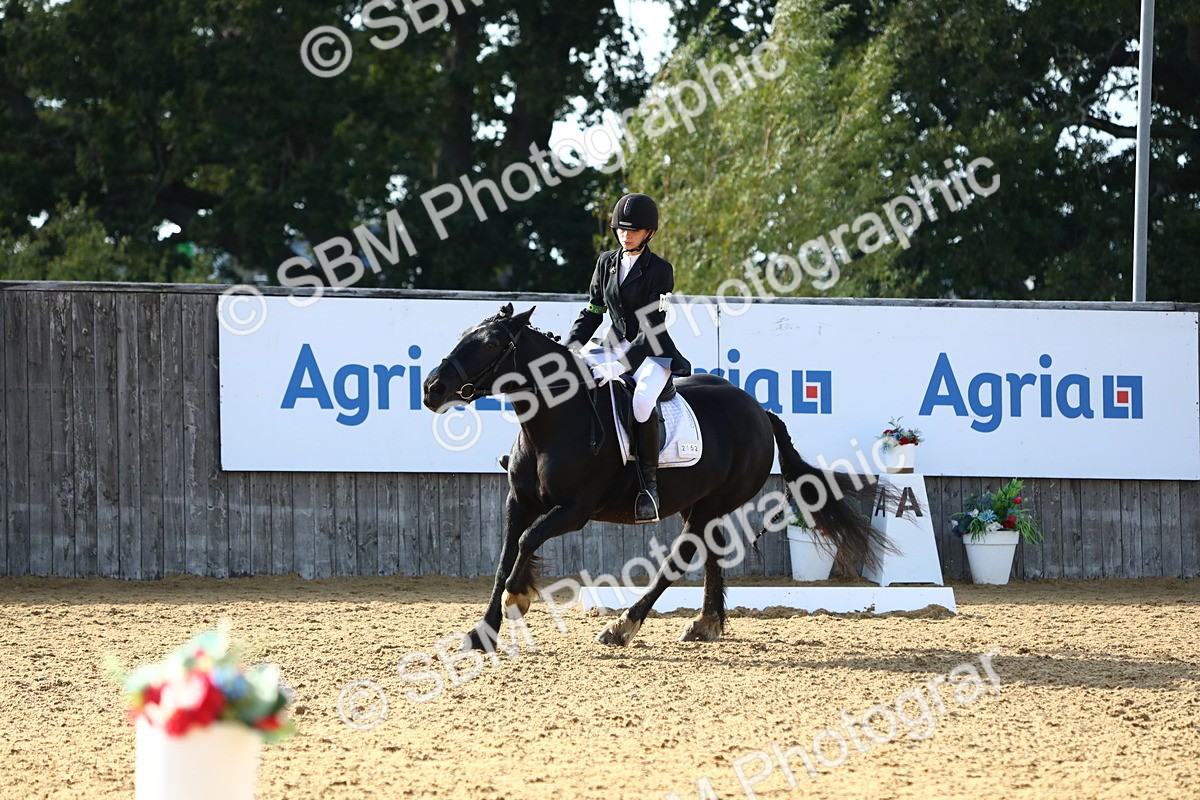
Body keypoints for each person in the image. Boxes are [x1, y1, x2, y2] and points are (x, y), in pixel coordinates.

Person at [566, 193, 692, 522]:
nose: (626, 235)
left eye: (634, 230)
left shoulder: (660, 270)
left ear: (649, 233)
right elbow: (593, 310)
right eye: (621, 229)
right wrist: (572, 345)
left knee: (639, 402)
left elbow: (652, 324)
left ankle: (648, 486)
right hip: (612, 342)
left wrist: (621, 365)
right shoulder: (606, 263)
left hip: (652, 351)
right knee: (570, 378)